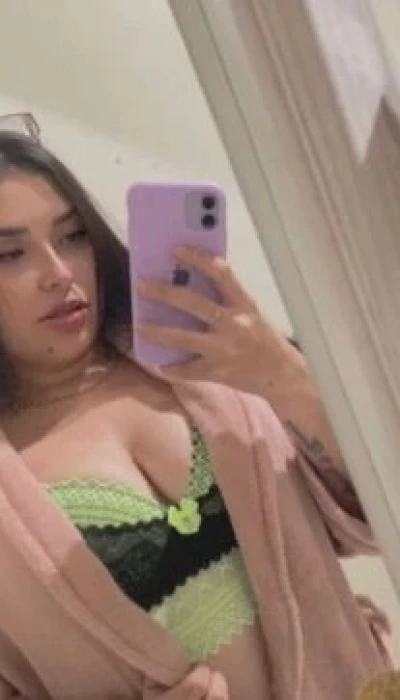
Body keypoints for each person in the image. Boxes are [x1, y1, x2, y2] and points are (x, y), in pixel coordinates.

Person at [0, 131, 392, 700]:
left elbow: (380, 507)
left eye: (73, 235)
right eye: (9, 254)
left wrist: (284, 375)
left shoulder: (206, 366)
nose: (59, 272)